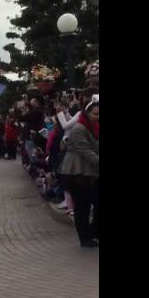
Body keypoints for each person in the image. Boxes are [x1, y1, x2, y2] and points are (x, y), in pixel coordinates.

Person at [59, 100, 99, 247]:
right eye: (95, 114)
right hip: (77, 174)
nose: (98, 116)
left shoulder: (93, 127)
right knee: (82, 207)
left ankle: (93, 232)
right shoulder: (79, 129)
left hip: (90, 174)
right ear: (87, 113)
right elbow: (85, 151)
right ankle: (85, 237)